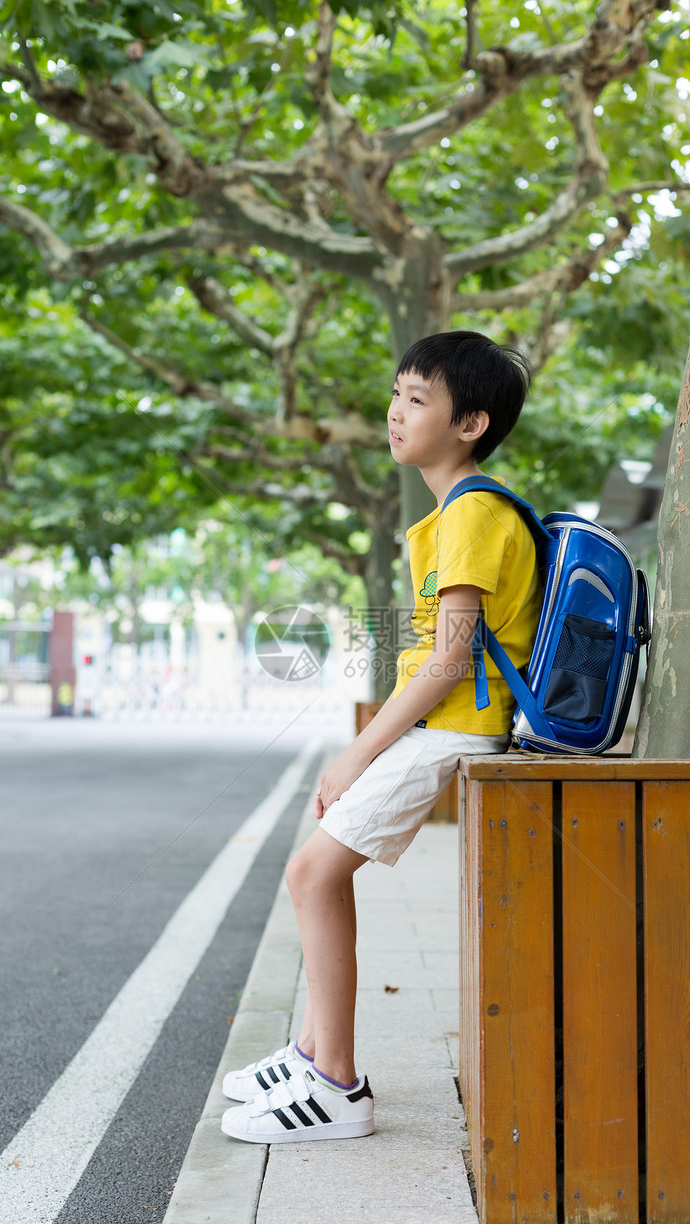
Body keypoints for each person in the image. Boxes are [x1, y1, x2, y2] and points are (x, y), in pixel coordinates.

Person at [221, 330, 542, 1144]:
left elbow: (450, 659)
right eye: (396, 393)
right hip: (443, 724)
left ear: (470, 423)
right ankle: (312, 1052)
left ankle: (336, 1086)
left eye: (417, 400)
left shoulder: (471, 514)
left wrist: (358, 749)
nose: (395, 413)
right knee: (314, 873)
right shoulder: (456, 513)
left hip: (457, 729)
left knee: (312, 875)